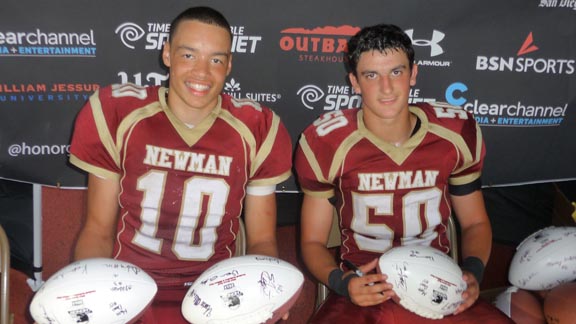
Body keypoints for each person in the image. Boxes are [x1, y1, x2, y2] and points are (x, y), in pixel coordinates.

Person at [69, 6, 292, 323]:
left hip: (214, 291)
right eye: (189, 55)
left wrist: (266, 293)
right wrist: (92, 293)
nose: (202, 72)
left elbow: (262, 241)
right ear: (167, 55)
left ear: (229, 65)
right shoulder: (117, 112)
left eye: (215, 60)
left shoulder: (257, 127)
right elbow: (98, 230)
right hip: (127, 285)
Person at [294, 24, 513, 323]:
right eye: (372, 75)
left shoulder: (454, 133)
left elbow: (474, 221)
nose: (386, 87)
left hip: (439, 281)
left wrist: (472, 273)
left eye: (396, 72)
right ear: (354, 82)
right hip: (366, 286)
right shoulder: (327, 143)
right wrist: (342, 283)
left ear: (413, 74)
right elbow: (312, 242)